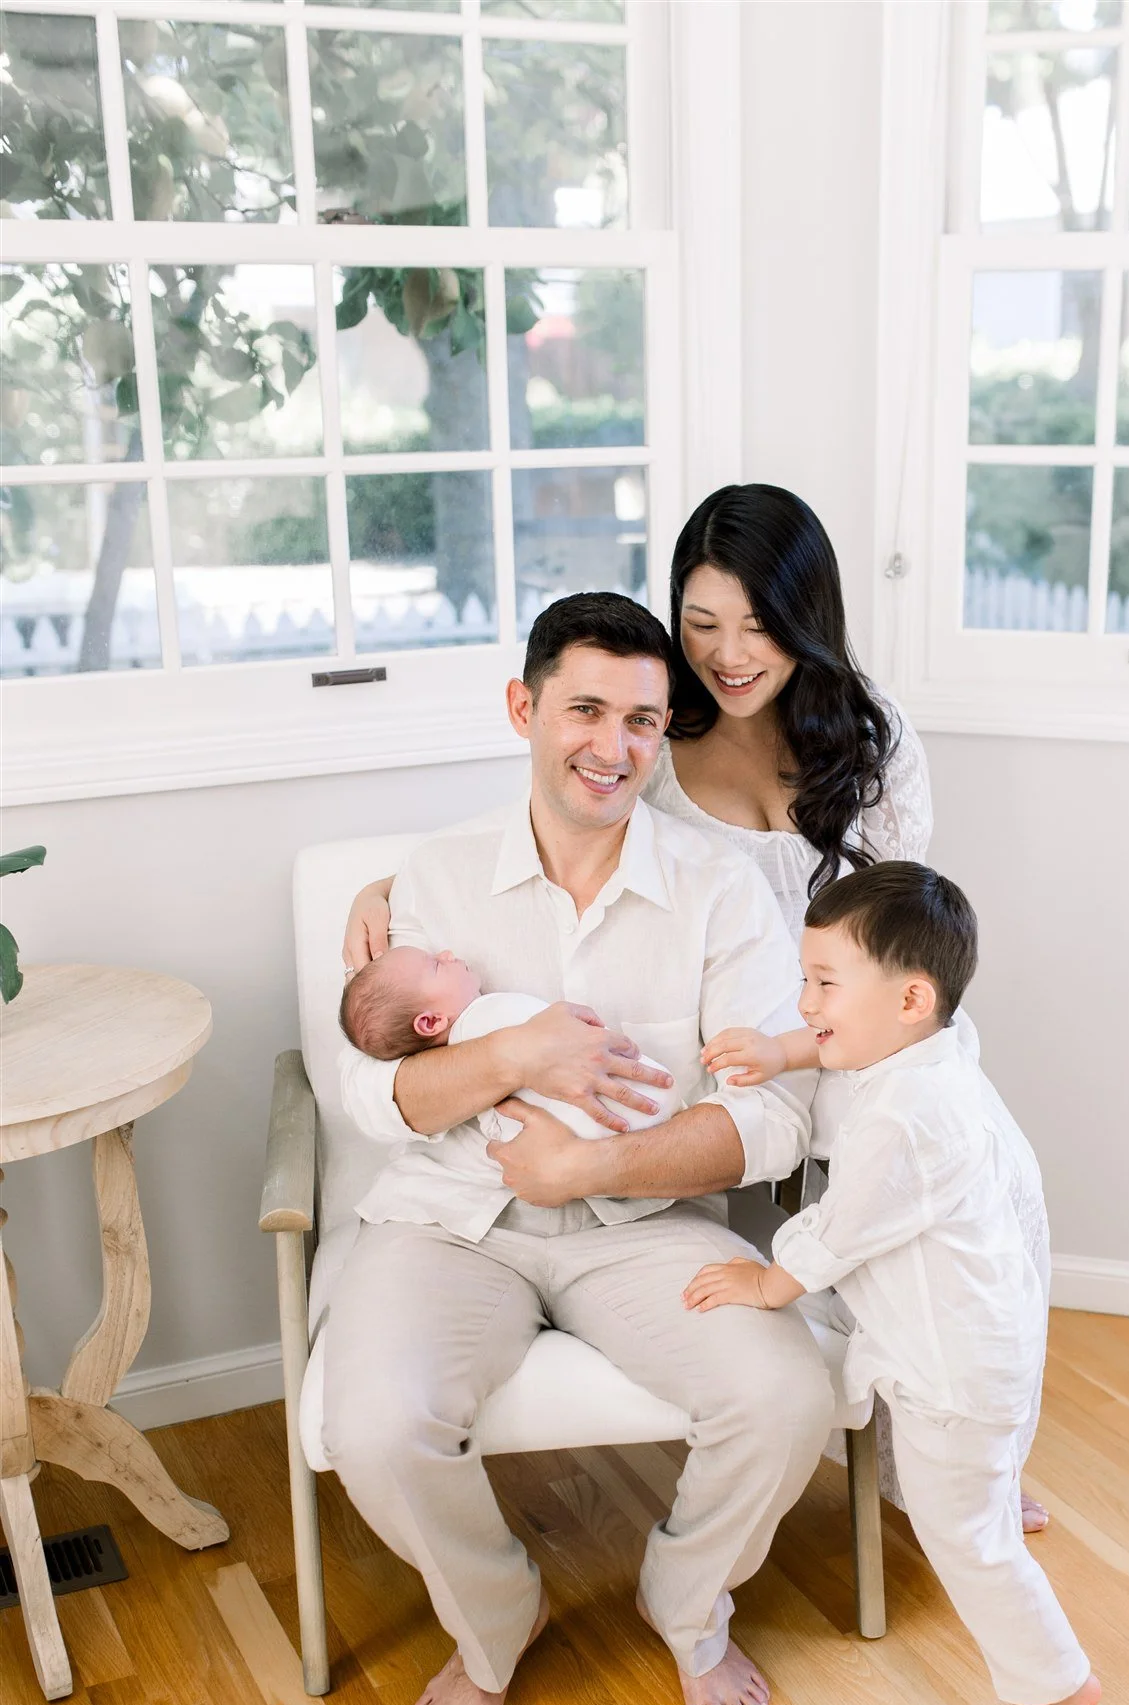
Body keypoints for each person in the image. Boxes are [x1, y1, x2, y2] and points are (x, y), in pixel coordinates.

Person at [340, 482, 1049, 1532]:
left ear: (808, 619)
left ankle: (956, 1444)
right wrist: (391, 894)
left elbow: (901, 913)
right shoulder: (660, 741)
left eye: (758, 626)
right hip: (749, 1030)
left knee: (978, 1175)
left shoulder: (873, 736)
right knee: (873, 1178)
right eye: (703, 624)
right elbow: (575, 824)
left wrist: (868, 1044)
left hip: (862, 1027)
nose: (729, 653)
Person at [326, 591, 836, 1705]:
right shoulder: (434, 878)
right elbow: (371, 1094)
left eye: (644, 722)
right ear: (525, 707)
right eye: (587, 710)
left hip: (644, 1226)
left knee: (786, 1397)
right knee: (375, 1422)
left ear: (665, 735)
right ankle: (494, 1620)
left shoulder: (721, 889)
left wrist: (591, 1161)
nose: (613, 747)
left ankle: (688, 1601)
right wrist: (514, 1054)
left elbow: (772, 1114)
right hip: (453, 1221)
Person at [684, 863, 1100, 1705]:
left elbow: (838, 1230)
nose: (805, 1001)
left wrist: (766, 1282)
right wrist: (785, 1049)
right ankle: (988, 1489)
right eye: (805, 978)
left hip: (951, 1368)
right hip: (962, 1329)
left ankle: (1053, 1684)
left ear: (910, 998)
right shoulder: (927, 1047)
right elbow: (835, 1047)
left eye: (824, 985)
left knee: (968, 1540)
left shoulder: (907, 1121)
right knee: (959, 1492)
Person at [339, 944, 678, 1140]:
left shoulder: (466, 1054)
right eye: (435, 966)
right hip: (646, 1117)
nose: (446, 953)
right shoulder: (491, 1014)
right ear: (431, 1021)